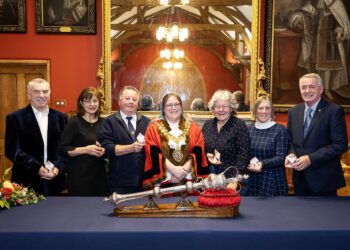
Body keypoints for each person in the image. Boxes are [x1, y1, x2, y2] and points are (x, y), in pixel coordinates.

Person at [285, 73, 348, 196]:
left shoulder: (334, 111)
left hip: (324, 180)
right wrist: (291, 153)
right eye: (303, 87)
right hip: (300, 180)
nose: (307, 91)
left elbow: (340, 145)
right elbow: (290, 140)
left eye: (312, 87)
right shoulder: (294, 111)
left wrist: (310, 159)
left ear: (321, 89)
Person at [5, 78, 67, 195]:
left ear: (50, 93)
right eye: (37, 92)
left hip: (54, 183)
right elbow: (12, 150)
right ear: (29, 95)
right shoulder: (15, 118)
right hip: (25, 183)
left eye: (45, 91)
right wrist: (36, 168)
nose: (42, 95)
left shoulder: (61, 118)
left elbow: (65, 149)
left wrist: (57, 168)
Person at [143, 93, 208, 188]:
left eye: (177, 104)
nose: (173, 108)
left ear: (181, 107)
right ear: (163, 108)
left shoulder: (194, 127)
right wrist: (174, 170)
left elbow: (199, 150)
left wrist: (183, 171)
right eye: (169, 105)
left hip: (190, 181)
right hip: (163, 183)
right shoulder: (153, 128)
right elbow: (153, 152)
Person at [288, 0, 350, 98]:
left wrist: (339, 31)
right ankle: (313, 88)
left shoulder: (336, 2)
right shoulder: (315, 1)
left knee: (328, 66)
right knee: (313, 63)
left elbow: (342, 21)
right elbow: (305, 12)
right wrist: (298, 18)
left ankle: (327, 89)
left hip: (330, 40)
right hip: (316, 39)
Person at [98, 86, 150, 194]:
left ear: (138, 103)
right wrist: (131, 148)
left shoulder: (147, 122)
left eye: (134, 99)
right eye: (127, 98)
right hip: (119, 182)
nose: (131, 102)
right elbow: (106, 148)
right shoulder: (109, 122)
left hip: (144, 182)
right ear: (120, 101)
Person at [59, 87, 108, 196]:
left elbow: (107, 145)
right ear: (81, 103)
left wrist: (104, 149)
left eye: (95, 101)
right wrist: (86, 149)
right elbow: (62, 149)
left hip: (99, 176)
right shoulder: (74, 122)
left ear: (99, 103)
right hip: (79, 177)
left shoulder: (104, 122)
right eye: (88, 101)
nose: (92, 104)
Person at [202, 89, 250, 179]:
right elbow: (204, 149)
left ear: (231, 108)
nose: (221, 110)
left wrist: (234, 179)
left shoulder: (239, 125)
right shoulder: (207, 125)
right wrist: (208, 155)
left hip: (231, 176)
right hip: (210, 175)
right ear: (213, 108)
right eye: (217, 106)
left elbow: (243, 155)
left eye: (225, 106)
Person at [247, 95, 289, 196]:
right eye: (260, 108)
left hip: (272, 179)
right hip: (253, 178)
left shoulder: (280, 130)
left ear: (272, 110)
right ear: (255, 111)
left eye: (267, 108)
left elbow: (280, 157)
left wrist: (262, 164)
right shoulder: (249, 129)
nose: (264, 111)